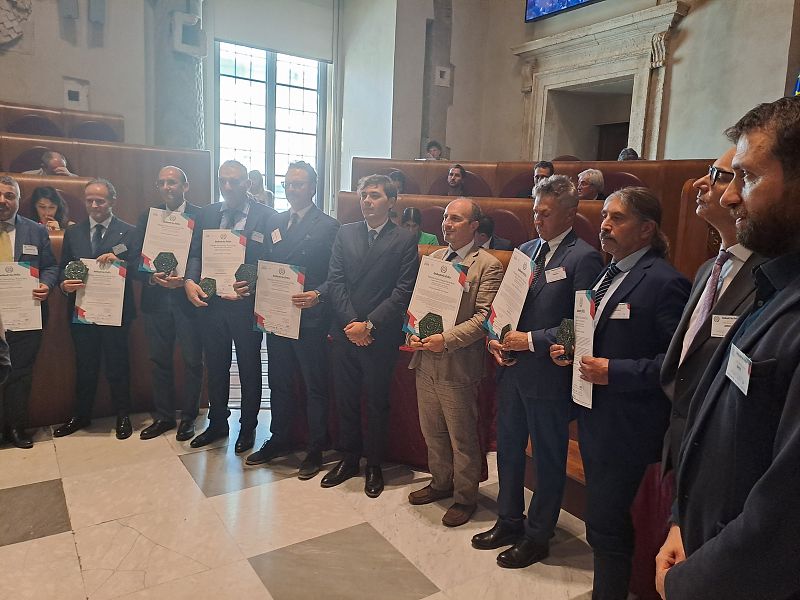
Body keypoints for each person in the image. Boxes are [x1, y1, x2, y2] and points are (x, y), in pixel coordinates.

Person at [657, 96, 800, 600]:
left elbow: (784, 521)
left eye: (749, 177)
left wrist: (686, 584)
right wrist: (683, 520)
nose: (731, 196)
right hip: (705, 542)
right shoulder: (776, 284)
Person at [549, 187, 689, 599]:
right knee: (601, 522)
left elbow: (678, 364)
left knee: (607, 524)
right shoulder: (605, 273)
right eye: (604, 217)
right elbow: (584, 323)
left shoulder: (665, 282)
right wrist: (566, 345)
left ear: (646, 229)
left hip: (629, 425)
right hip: (595, 416)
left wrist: (615, 371)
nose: (605, 225)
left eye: (617, 218)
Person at [473, 175, 604, 565]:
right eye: (534, 212)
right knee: (508, 449)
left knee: (547, 459)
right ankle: (509, 519)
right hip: (513, 371)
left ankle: (538, 534)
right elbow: (504, 308)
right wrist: (495, 338)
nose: (537, 219)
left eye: (545, 213)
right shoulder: (525, 250)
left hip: (549, 375)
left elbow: (578, 324)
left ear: (569, 213)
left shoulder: (584, 257)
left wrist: (529, 340)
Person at [659, 149, 765, 475]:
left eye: (718, 175)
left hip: (725, 455)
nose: (700, 183)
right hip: (682, 438)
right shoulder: (708, 269)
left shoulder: (769, 277)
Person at [319, 174, 419, 498]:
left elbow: (402, 292)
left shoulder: (404, 239)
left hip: (380, 335)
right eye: (363, 195)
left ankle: (374, 463)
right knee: (346, 398)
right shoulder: (345, 232)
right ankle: (349, 458)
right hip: (346, 331)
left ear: (391, 201)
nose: (367, 201)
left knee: (377, 402)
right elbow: (335, 281)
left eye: (375, 195)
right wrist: (352, 323)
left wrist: (369, 325)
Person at [406, 198, 503, 527]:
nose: (447, 223)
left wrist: (445, 340)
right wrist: (415, 333)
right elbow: (422, 307)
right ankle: (440, 482)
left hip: (458, 366)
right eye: (446, 217)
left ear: (474, 226)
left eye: (456, 219)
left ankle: (465, 497)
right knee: (432, 431)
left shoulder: (487, 265)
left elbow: (483, 318)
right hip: (426, 361)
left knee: (462, 438)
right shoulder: (433, 259)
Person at [241, 161, 339, 480]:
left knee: (314, 385)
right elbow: (262, 261)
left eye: (299, 184)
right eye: (288, 184)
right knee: (279, 381)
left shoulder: (329, 225)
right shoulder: (275, 220)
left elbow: (338, 275)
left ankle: (315, 447)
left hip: (309, 316)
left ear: (313, 187)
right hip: (276, 314)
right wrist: (249, 281)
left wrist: (318, 295)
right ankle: (280, 438)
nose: (293, 189)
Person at [184, 160, 276, 453]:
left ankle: (248, 427)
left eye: (234, 181)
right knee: (216, 365)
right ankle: (217, 424)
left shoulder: (267, 216)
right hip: (211, 304)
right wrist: (189, 280)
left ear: (247, 184)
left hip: (246, 305)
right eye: (222, 180)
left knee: (249, 366)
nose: (227, 186)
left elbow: (273, 261)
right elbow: (195, 253)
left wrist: (253, 284)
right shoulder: (207, 213)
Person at [54, 178, 138, 439]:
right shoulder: (73, 232)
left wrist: (121, 262)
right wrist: (63, 284)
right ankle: (81, 415)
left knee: (118, 365)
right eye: (89, 200)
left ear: (112, 201)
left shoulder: (129, 232)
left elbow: (139, 269)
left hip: (116, 312)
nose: (94, 205)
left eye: (100, 201)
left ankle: (123, 414)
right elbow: (63, 268)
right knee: (85, 366)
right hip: (82, 310)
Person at [134, 166, 204, 442]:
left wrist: (186, 279)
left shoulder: (200, 216)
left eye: (172, 182)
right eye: (162, 183)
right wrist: (152, 278)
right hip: (156, 300)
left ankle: (188, 417)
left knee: (192, 361)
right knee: (158, 360)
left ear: (185, 186)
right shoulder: (148, 217)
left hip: (187, 301)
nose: (167, 187)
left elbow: (202, 256)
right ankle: (163, 417)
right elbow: (134, 259)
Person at [0, 175, 59, 448]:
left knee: (20, 374)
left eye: (9, 195)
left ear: (19, 200)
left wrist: (46, 284)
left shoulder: (35, 231)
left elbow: (50, 266)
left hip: (25, 315)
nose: (3, 200)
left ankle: (15, 427)